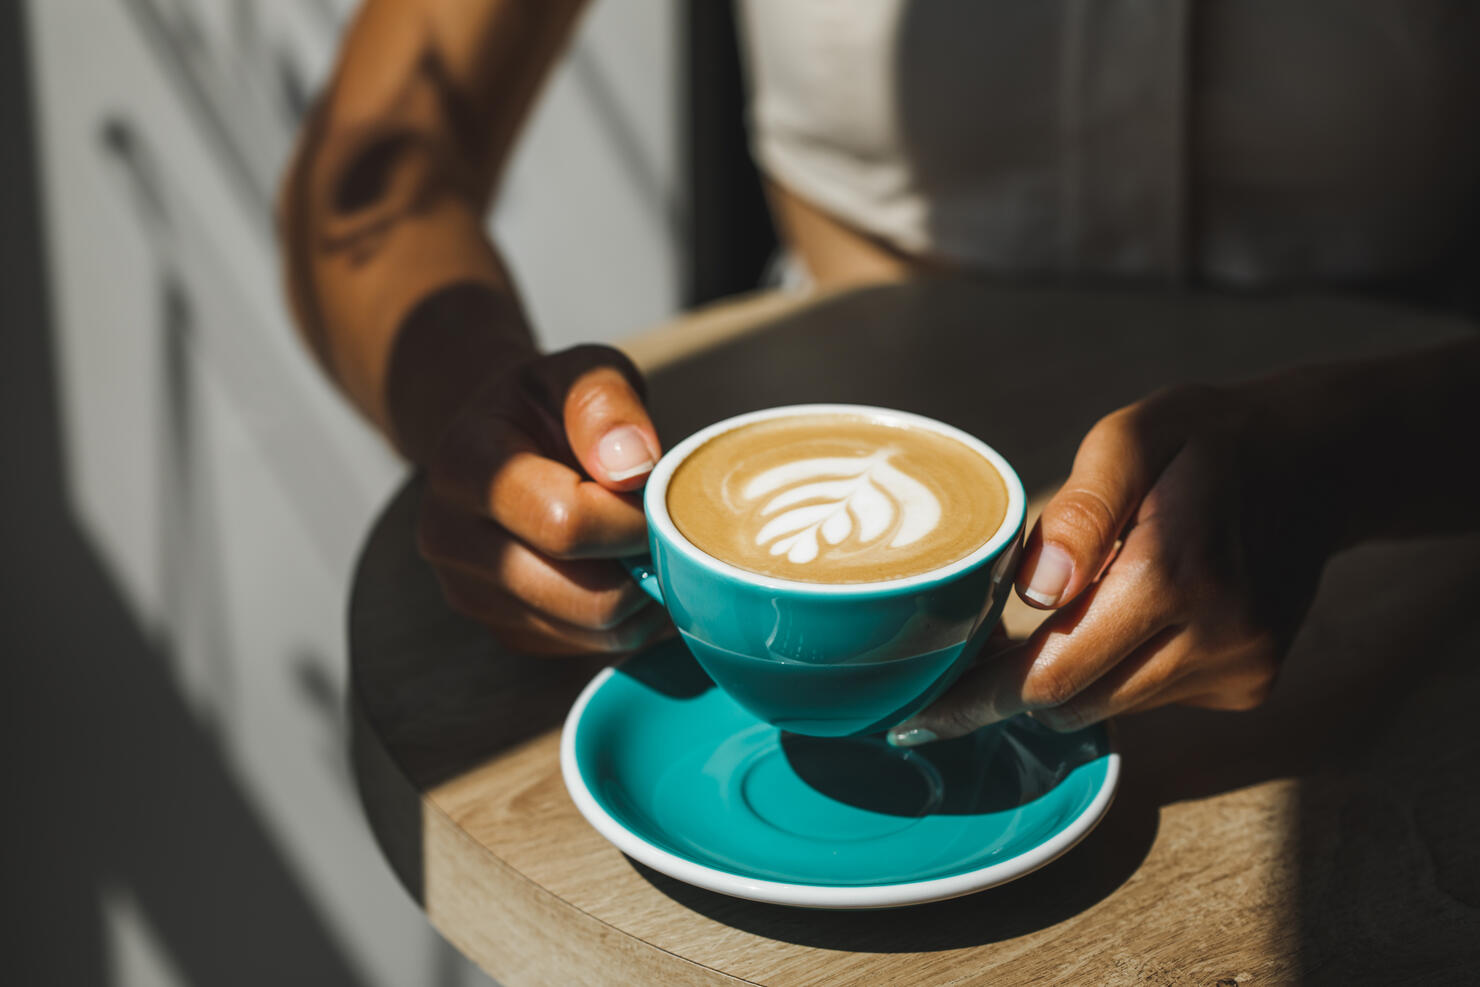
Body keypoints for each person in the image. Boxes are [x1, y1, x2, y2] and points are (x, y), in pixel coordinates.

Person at [279, 0, 1480, 746]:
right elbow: (382, 170)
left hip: (1400, 615)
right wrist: (487, 433)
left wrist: (1356, 458)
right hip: (795, 562)